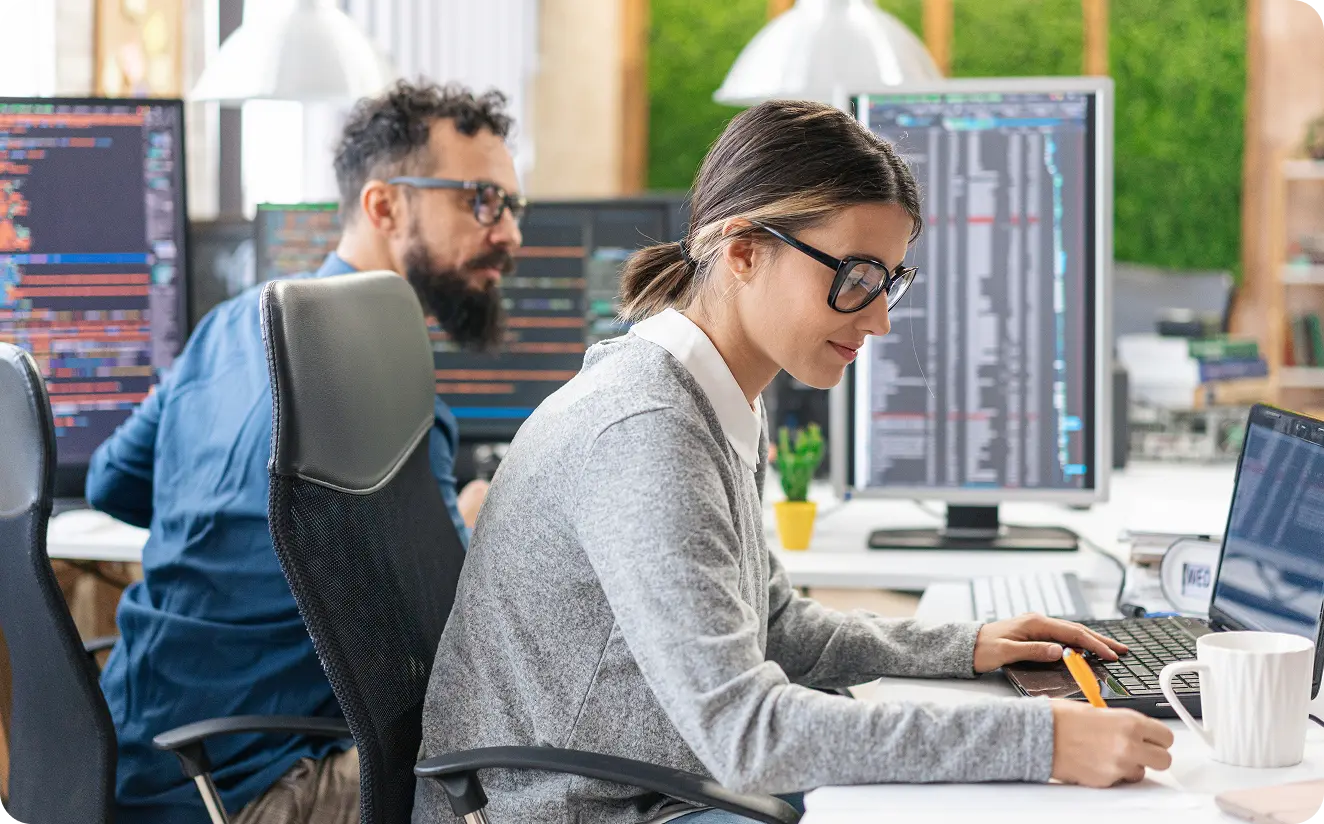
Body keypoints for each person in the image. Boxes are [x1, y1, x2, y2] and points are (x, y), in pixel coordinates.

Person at [414, 99, 1174, 824]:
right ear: (742, 250)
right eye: (856, 277)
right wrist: (1041, 741)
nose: (878, 318)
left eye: (889, 282)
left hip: (648, 786)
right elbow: (748, 734)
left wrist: (964, 646)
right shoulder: (646, 432)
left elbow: (771, 625)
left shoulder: (720, 395)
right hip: (581, 810)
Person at [88, 80, 524, 824]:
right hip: (254, 792)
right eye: (482, 200)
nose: (510, 233)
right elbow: (447, 647)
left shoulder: (227, 326)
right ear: (384, 207)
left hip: (118, 768)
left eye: (514, 206)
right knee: (557, 764)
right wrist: (480, 520)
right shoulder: (391, 388)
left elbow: (111, 483)